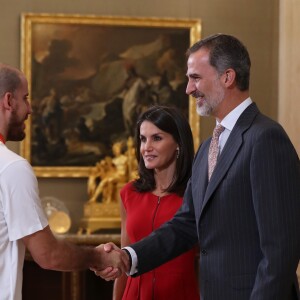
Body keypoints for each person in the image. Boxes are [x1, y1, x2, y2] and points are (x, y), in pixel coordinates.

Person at [96, 34, 300, 299]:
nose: (188, 89)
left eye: (195, 78)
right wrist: (128, 256)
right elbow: (186, 223)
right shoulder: (207, 148)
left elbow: (281, 249)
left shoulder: (265, 138)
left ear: (227, 77)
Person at [0, 63, 129, 300]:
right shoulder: (11, 168)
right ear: (8, 101)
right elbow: (48, 254)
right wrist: (98, 257)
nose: (30, 109)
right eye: (25, 98)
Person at [112, 105, 199, 300]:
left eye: (157, 138)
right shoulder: (128, 193)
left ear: (178, 143)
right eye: (143, 139)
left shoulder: (196, 194)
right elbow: (124, 262)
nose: (146, 147)